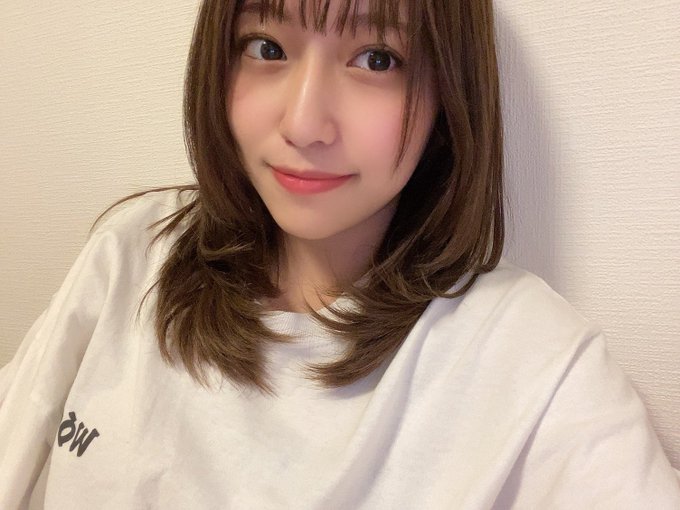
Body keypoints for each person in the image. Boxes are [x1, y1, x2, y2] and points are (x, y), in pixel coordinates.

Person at [1, 0, 678, 507]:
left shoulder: (534, 365)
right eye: (266, 47)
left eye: (377, 59)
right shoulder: (133, 254)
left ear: (448, 93)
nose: (303, 124)